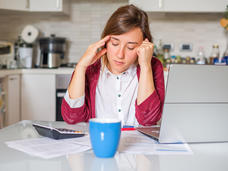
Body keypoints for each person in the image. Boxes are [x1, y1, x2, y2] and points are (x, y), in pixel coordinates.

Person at [61, 4, 165, 126]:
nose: (120, 55)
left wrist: (145, 66)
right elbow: (72, 118)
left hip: (139, 144)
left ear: (144, 46)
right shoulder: (91, 67)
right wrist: (81, 67)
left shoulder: (152, 66)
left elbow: (148, 120)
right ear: (105, 41)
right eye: (115, 44)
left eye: (131, 47)